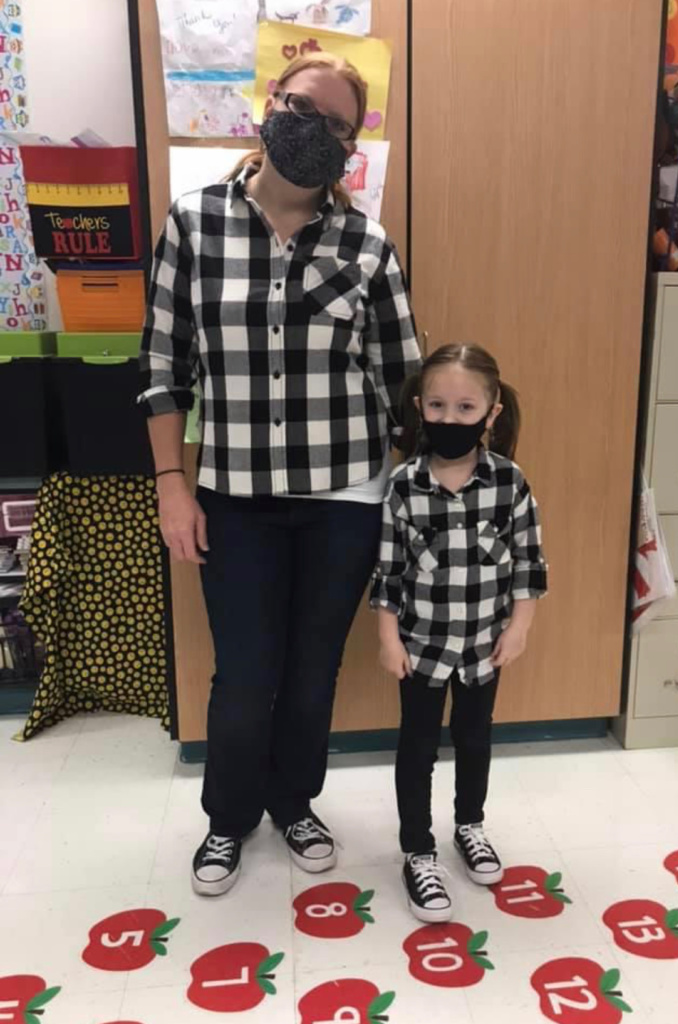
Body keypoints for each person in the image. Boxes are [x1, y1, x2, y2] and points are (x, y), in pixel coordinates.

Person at [139, 53, 420, 896]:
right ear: (270, 104)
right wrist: (172, 483)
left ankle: (295, 802)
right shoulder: (194, 223)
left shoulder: (367, 243)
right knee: (244, 674)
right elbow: (163, 368)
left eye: (337, 124)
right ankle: (228, 818)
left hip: (347, 498)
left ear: (351, 144)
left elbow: (401, 378)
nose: (315, 131)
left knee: (310, 671)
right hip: (236, 497)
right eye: (302, 108)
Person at [371, 344, 548, 922]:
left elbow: (529, 564)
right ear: (420, 408)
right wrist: (388, 638)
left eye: (466, 407)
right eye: (438, 406)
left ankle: (469, 825)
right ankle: (417, 850)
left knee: (475, 740)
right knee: (417, 747)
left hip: (484, 649)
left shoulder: (510, 483)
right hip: (421, 648)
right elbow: (388, 573)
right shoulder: (403, 487)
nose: (450, 418)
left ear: (491, 413)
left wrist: (520, 628)